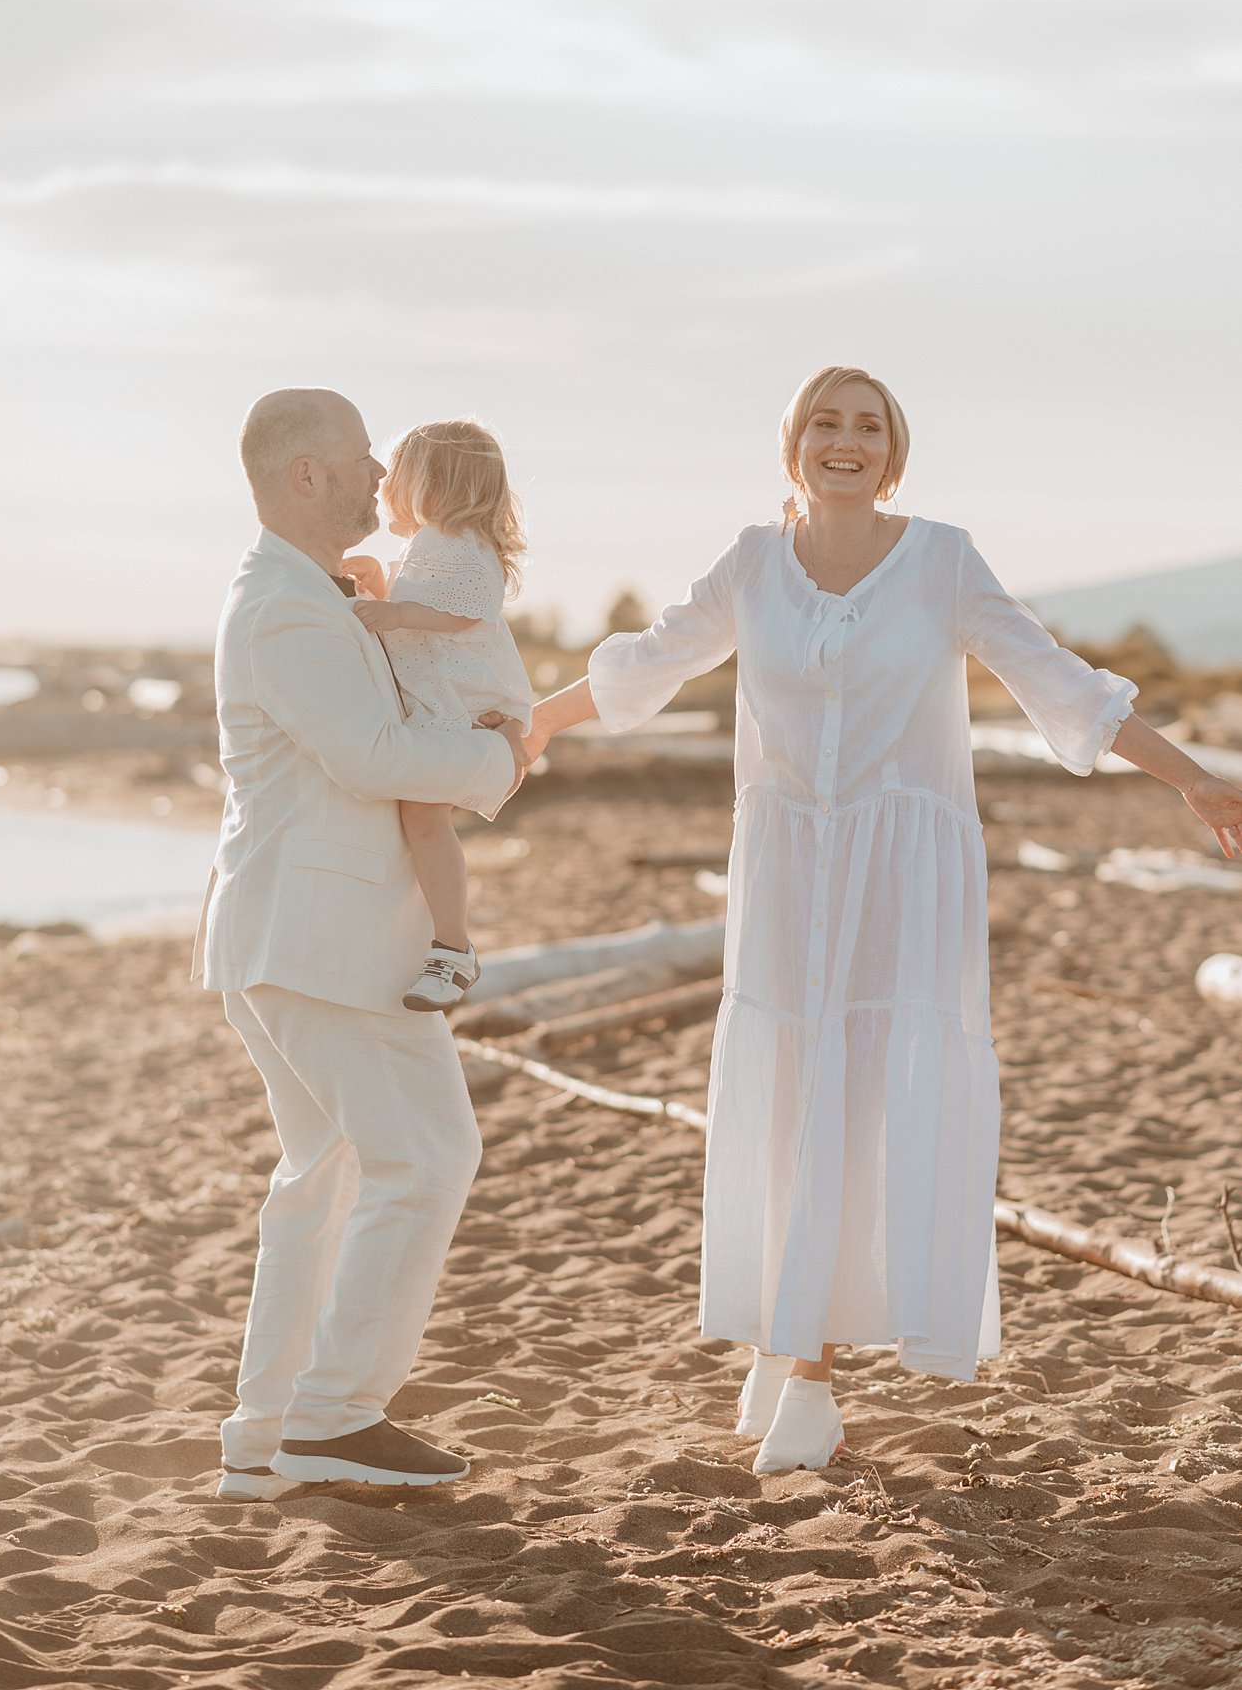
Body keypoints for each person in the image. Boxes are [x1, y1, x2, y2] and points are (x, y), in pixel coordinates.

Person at [524, 365, 1242, 1475]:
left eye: (868, 425)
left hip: (901, 875)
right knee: (787, 1089)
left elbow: (1062, 686)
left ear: (891, 453)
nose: (845, 439)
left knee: (862, 1096)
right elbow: (646, 664)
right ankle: (787, 1334)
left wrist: (1191, 777)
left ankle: (808, 1372)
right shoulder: (752, 562)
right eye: (826, 421)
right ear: (792, 444)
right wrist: (532, 724)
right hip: (785, 869)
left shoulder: (942, 558)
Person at [191, 388, 529, 1501]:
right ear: (303, 475)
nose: (376, 466)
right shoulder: (285, 606)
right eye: (356, 455)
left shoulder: (309, 593)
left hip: (299, 934)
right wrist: (498, 764)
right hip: (324, 939)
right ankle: (333, 1416)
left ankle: (269, 1423)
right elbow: (369, 752)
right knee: (423, 1157)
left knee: (327, 1173)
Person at [342, 420, 534, 1010]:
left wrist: (396, 612)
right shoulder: (426, 547)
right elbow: (412, 624)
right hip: (444, 709)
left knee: (425, 819)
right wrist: (381, 588)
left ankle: (453, 947)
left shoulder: (465, 547)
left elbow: (467, 613)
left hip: (471, 707)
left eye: (397, 478)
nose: (383, 488)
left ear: (437, 484)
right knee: (419, 819)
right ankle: (443, 944)